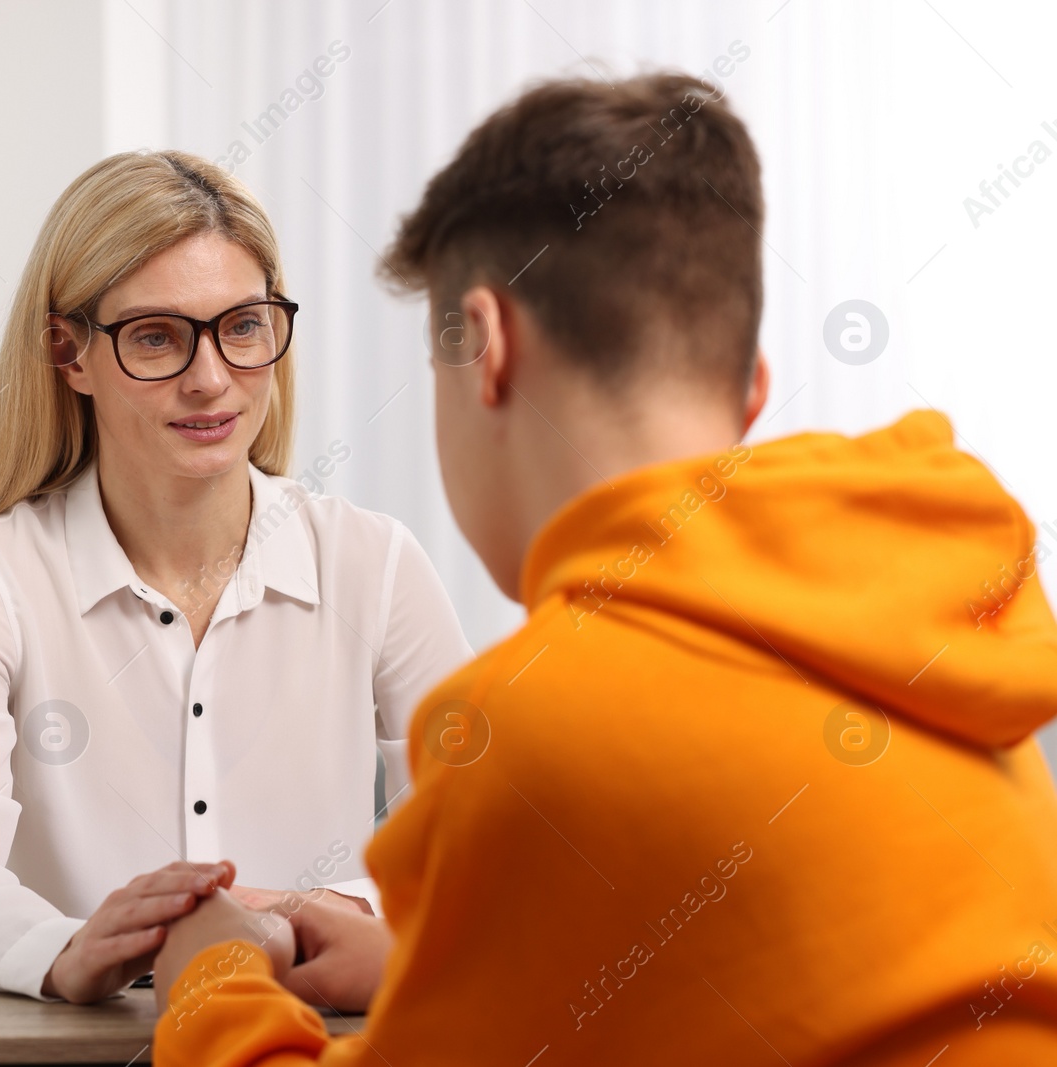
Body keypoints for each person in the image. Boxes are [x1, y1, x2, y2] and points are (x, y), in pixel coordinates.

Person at [149, 73, 1057, 1064]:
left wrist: (212, 976)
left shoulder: (535, 729)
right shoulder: (947, 645)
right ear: (749, 392)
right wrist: (440, 955)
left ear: (487, 349)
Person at [0, 150, 471, 1004]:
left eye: (242, 326)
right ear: (69, 353)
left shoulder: (375, 564)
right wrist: (68, 949)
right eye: (156, 336)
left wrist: (307, 914)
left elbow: (478, 843)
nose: (210, 379)